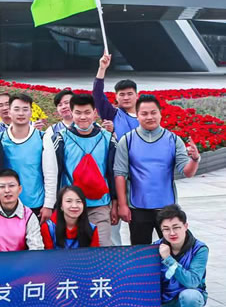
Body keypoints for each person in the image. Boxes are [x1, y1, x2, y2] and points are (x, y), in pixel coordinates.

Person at [114, 94, 200, 245]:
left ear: (160, 114)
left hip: (167, 207)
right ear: (137, 115)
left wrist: (194, 159)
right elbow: (120, 174)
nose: (149, 117)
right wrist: (123, 205)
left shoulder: (173, 140)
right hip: (138, 206)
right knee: (140, 252)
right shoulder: (127, 140)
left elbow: (187, 172)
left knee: (173, 249)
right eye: (144, 113)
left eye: (153, 112)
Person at [44, 93, 117, 247]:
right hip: (70, 206)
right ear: (71, 113)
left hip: (98, 204)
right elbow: (55, 173)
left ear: (95, 113)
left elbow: (112, 173)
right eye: (78, 112)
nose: (83, 117)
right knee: (71, 250)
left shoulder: (107, 138)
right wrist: (52, 205)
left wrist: (115, 203)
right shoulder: (60, 138)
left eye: (87, 112)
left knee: (102, 248)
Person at [158, 205, 208, 307]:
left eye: (176, 227)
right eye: (166, 229)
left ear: (185, 226)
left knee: (191, 295)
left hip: (186, 298)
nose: (172, 233)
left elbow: (192, 282)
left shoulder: (200, 249)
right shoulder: (155, 248)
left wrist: (168, 259)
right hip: (162, 299)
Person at [0, 93, 51, 222]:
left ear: (31, 112)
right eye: (16, 109)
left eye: (25, 109)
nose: (21, 113)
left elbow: (50, 174)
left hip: (35, 204)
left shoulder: (43, 138)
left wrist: (48, 204)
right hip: (7, 204)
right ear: (9, 112)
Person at [0, 169, 44, 252]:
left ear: (20, 189)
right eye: (2, 187)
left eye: (11, 186)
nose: (7, 190)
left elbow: (36, 249)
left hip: (21, 260)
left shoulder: (29, 215)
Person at [94, 52, 139, 140]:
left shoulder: (145, 116)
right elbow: (97, 94)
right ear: (116, 97)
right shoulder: (112, 114)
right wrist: (102, 69)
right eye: (122, 94)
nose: (126, 98)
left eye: (130, 94)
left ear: (137, 96)